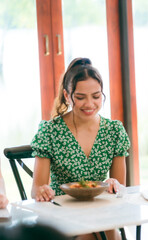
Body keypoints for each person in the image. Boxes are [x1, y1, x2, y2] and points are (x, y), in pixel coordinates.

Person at [30, 57, 130, 240]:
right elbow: (36, 189)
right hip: (60, 214)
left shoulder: (114, 130)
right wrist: (42, 191)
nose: (90, 104)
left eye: (96, 96)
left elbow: (119, 189)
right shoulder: (50, 131)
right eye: (80, 97)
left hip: (99, 211)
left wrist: (115, 184)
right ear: (67, 96)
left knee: (110, 233)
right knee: (93, 236)